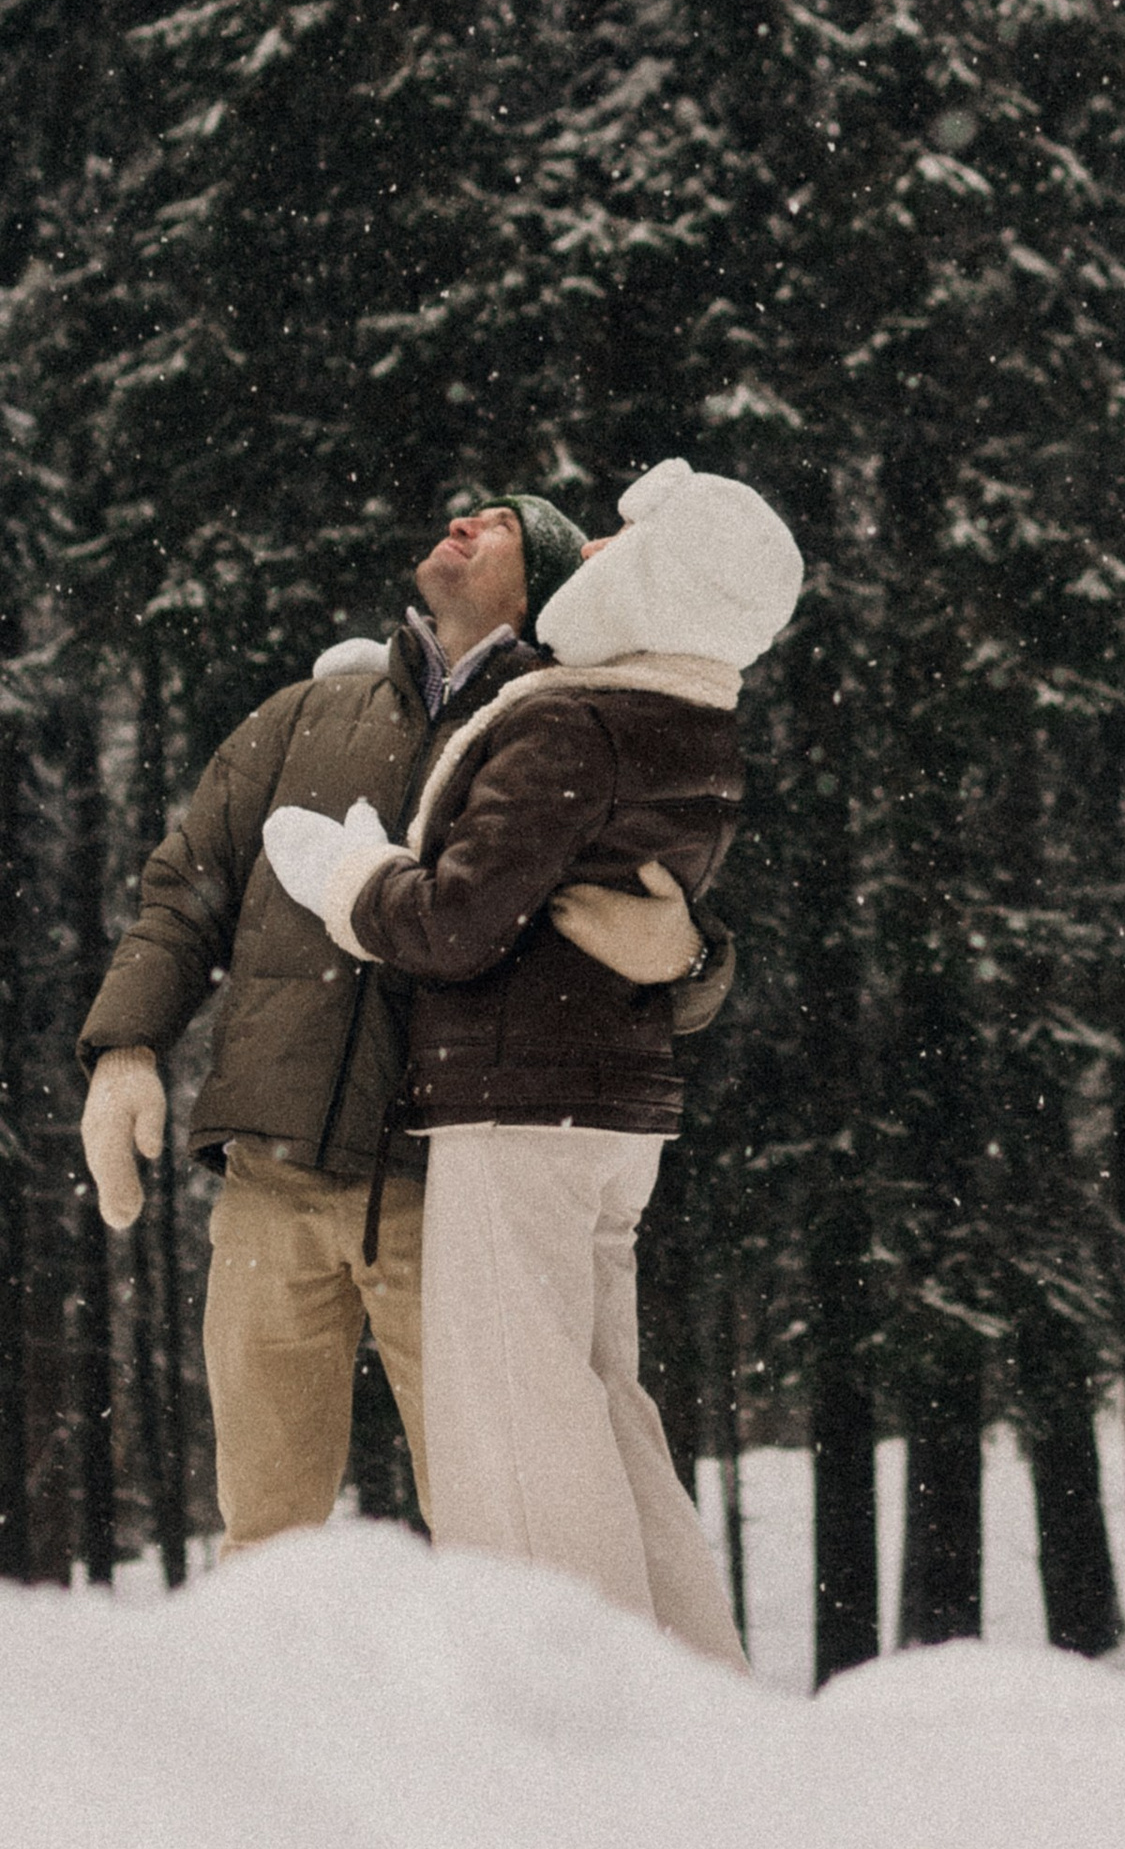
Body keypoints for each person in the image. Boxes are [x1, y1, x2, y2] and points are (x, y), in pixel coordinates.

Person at [76, 491, 733, 1551]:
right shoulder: (301, 719)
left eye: (503, 526)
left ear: (548, 592)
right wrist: (124, 1048)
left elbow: (667, 912)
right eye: (465, 512)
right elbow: (183, 892)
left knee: (496, 1537)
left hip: (451, 1196)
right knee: (264, 1541)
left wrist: (693, 963)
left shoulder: (566, 727)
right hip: (269, 1181)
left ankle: (519, 1719)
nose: (464, 524)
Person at [262, 458, 801, 1665]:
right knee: (605, 1408)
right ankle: (691, 1685)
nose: (593, 558)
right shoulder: (688, 719)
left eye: (617, 544)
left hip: (525, 1103)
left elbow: (458, 922)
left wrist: (349, 881)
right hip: (606, 1110)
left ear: (663, 577)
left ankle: (574, 1706)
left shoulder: (576, 716)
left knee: (517, 1420)